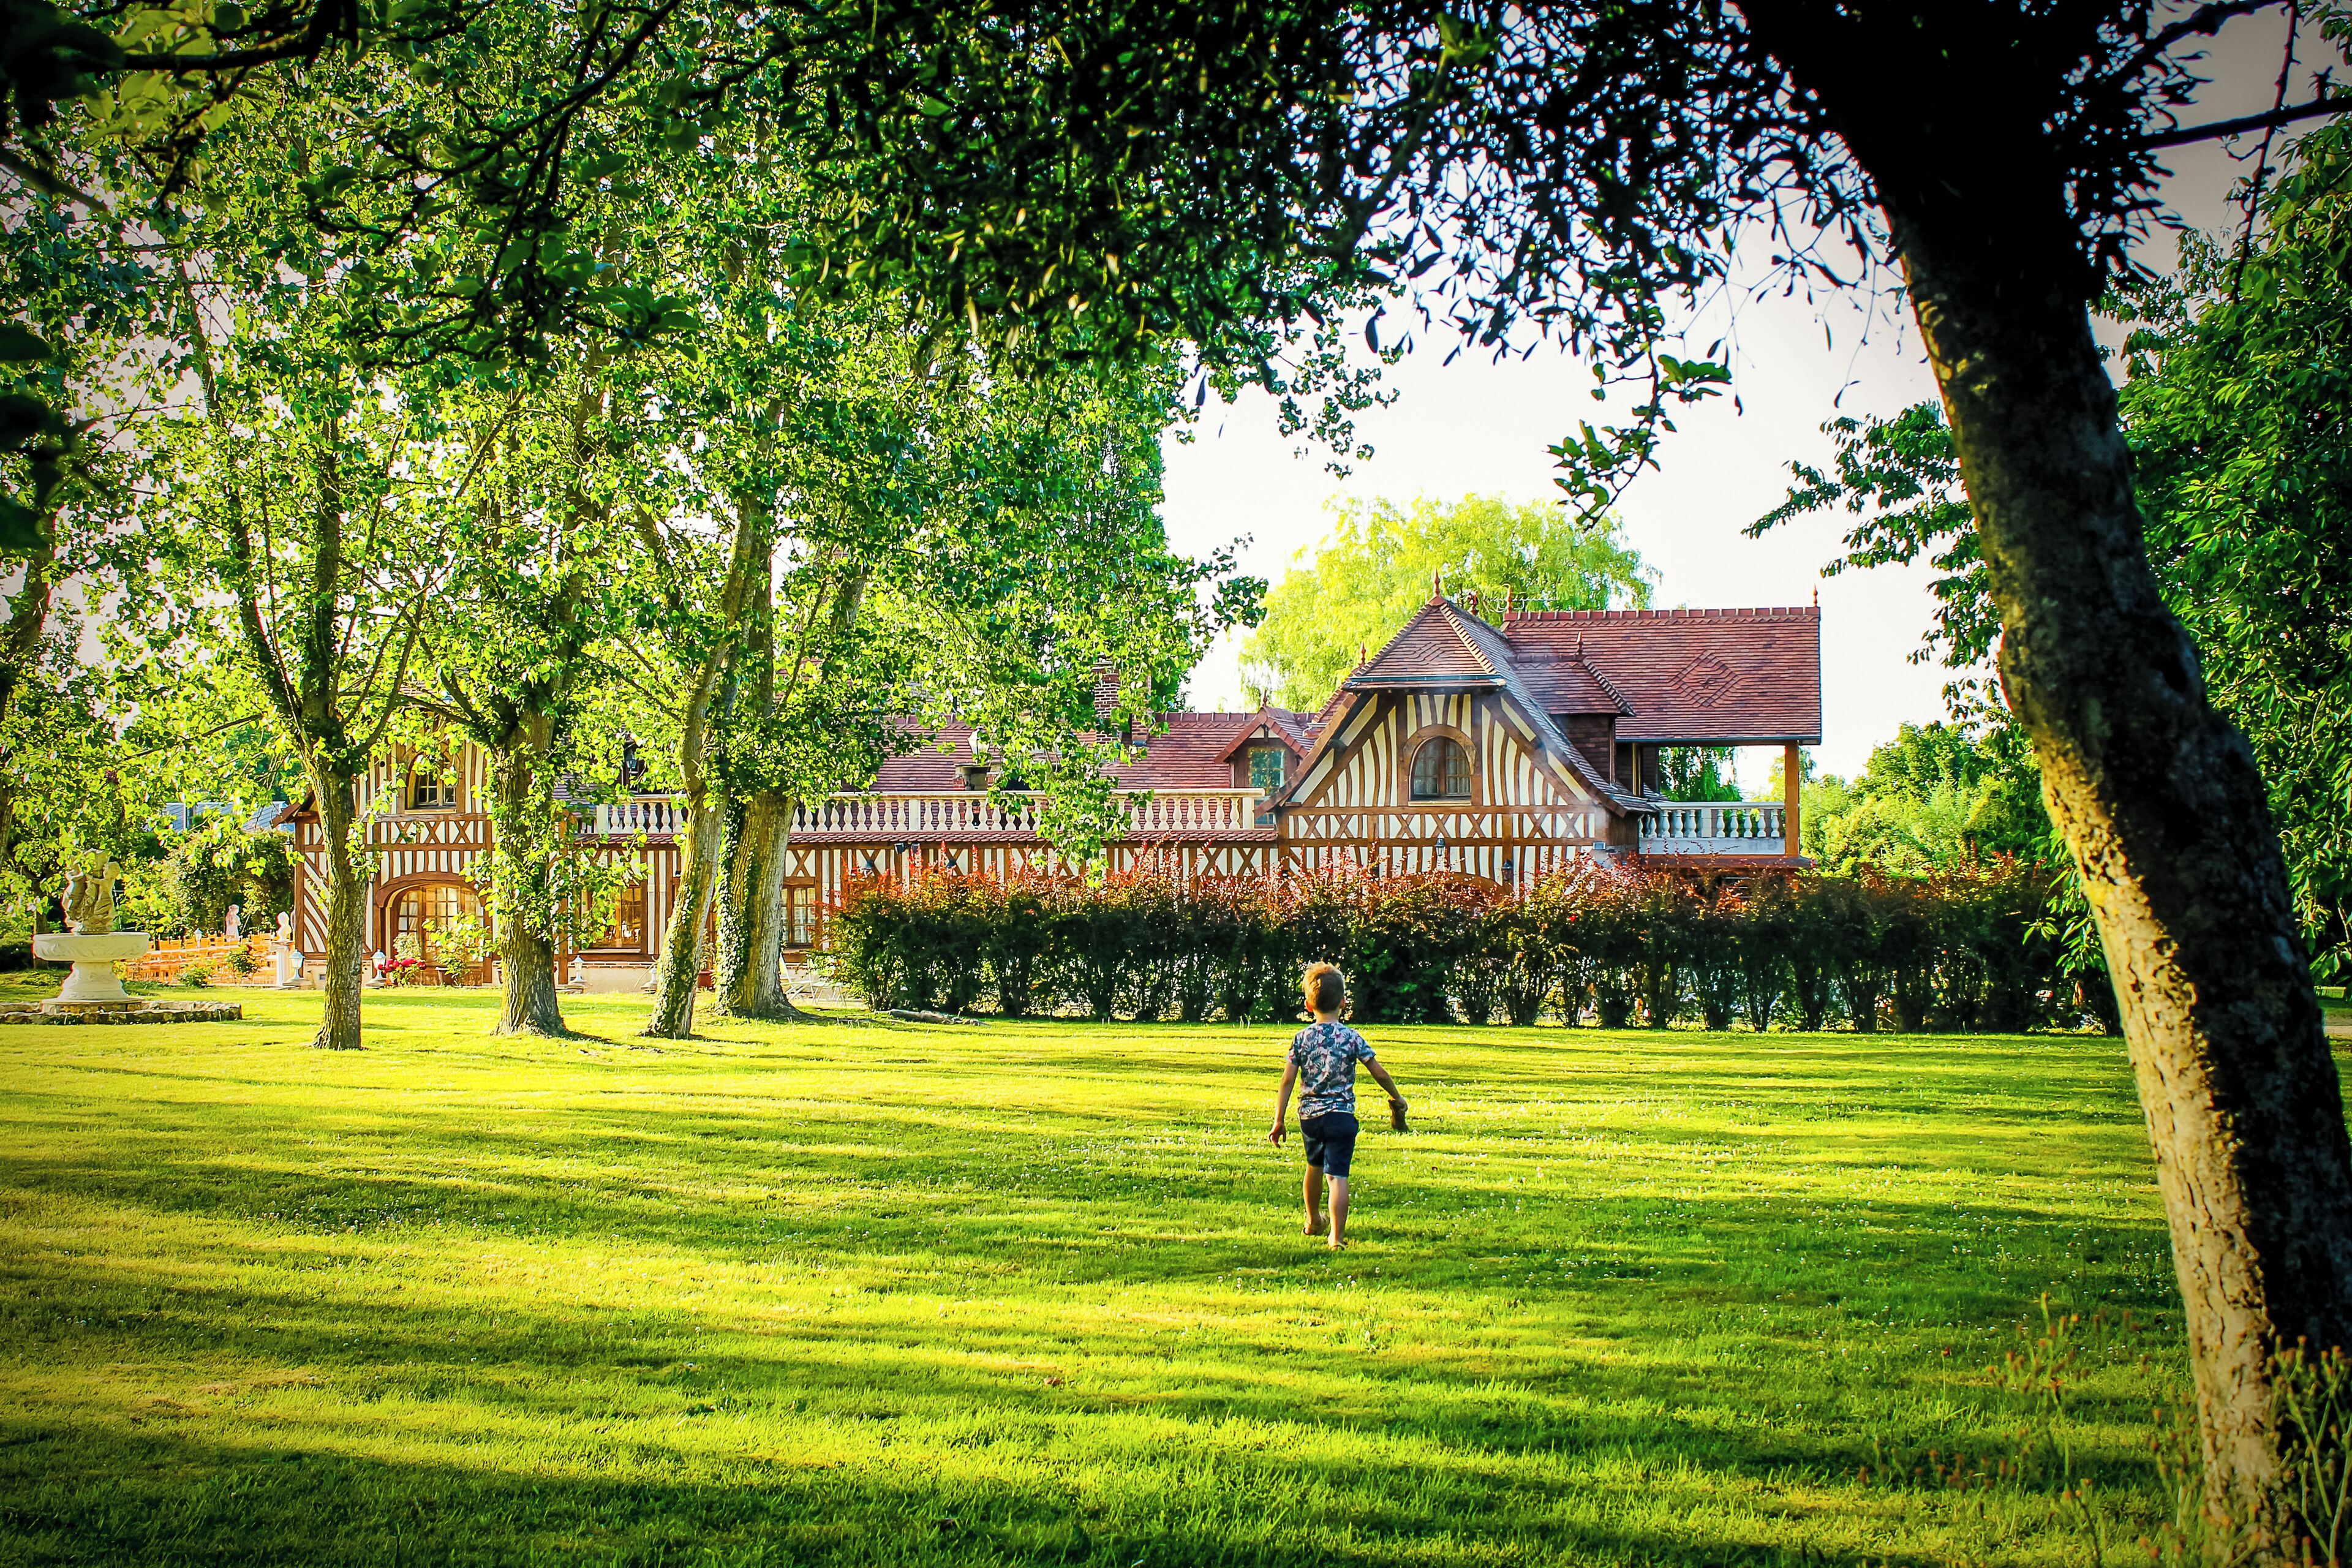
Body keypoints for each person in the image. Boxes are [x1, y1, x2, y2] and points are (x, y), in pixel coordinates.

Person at [1268, 962, 1406, 1250]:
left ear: (1308, 1005)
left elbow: (1287, 1081)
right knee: (1338, 1176)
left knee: (1314, 1166)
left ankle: (1313, 1221)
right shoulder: (1351, 1037)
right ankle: (1337, 1237)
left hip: (1311, 1118)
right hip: (1342, 1117)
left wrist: (1279, 1118)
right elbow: (1378, 1072)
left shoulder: (1302, 1038)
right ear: (1343, 1002)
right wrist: (1397, 1097)